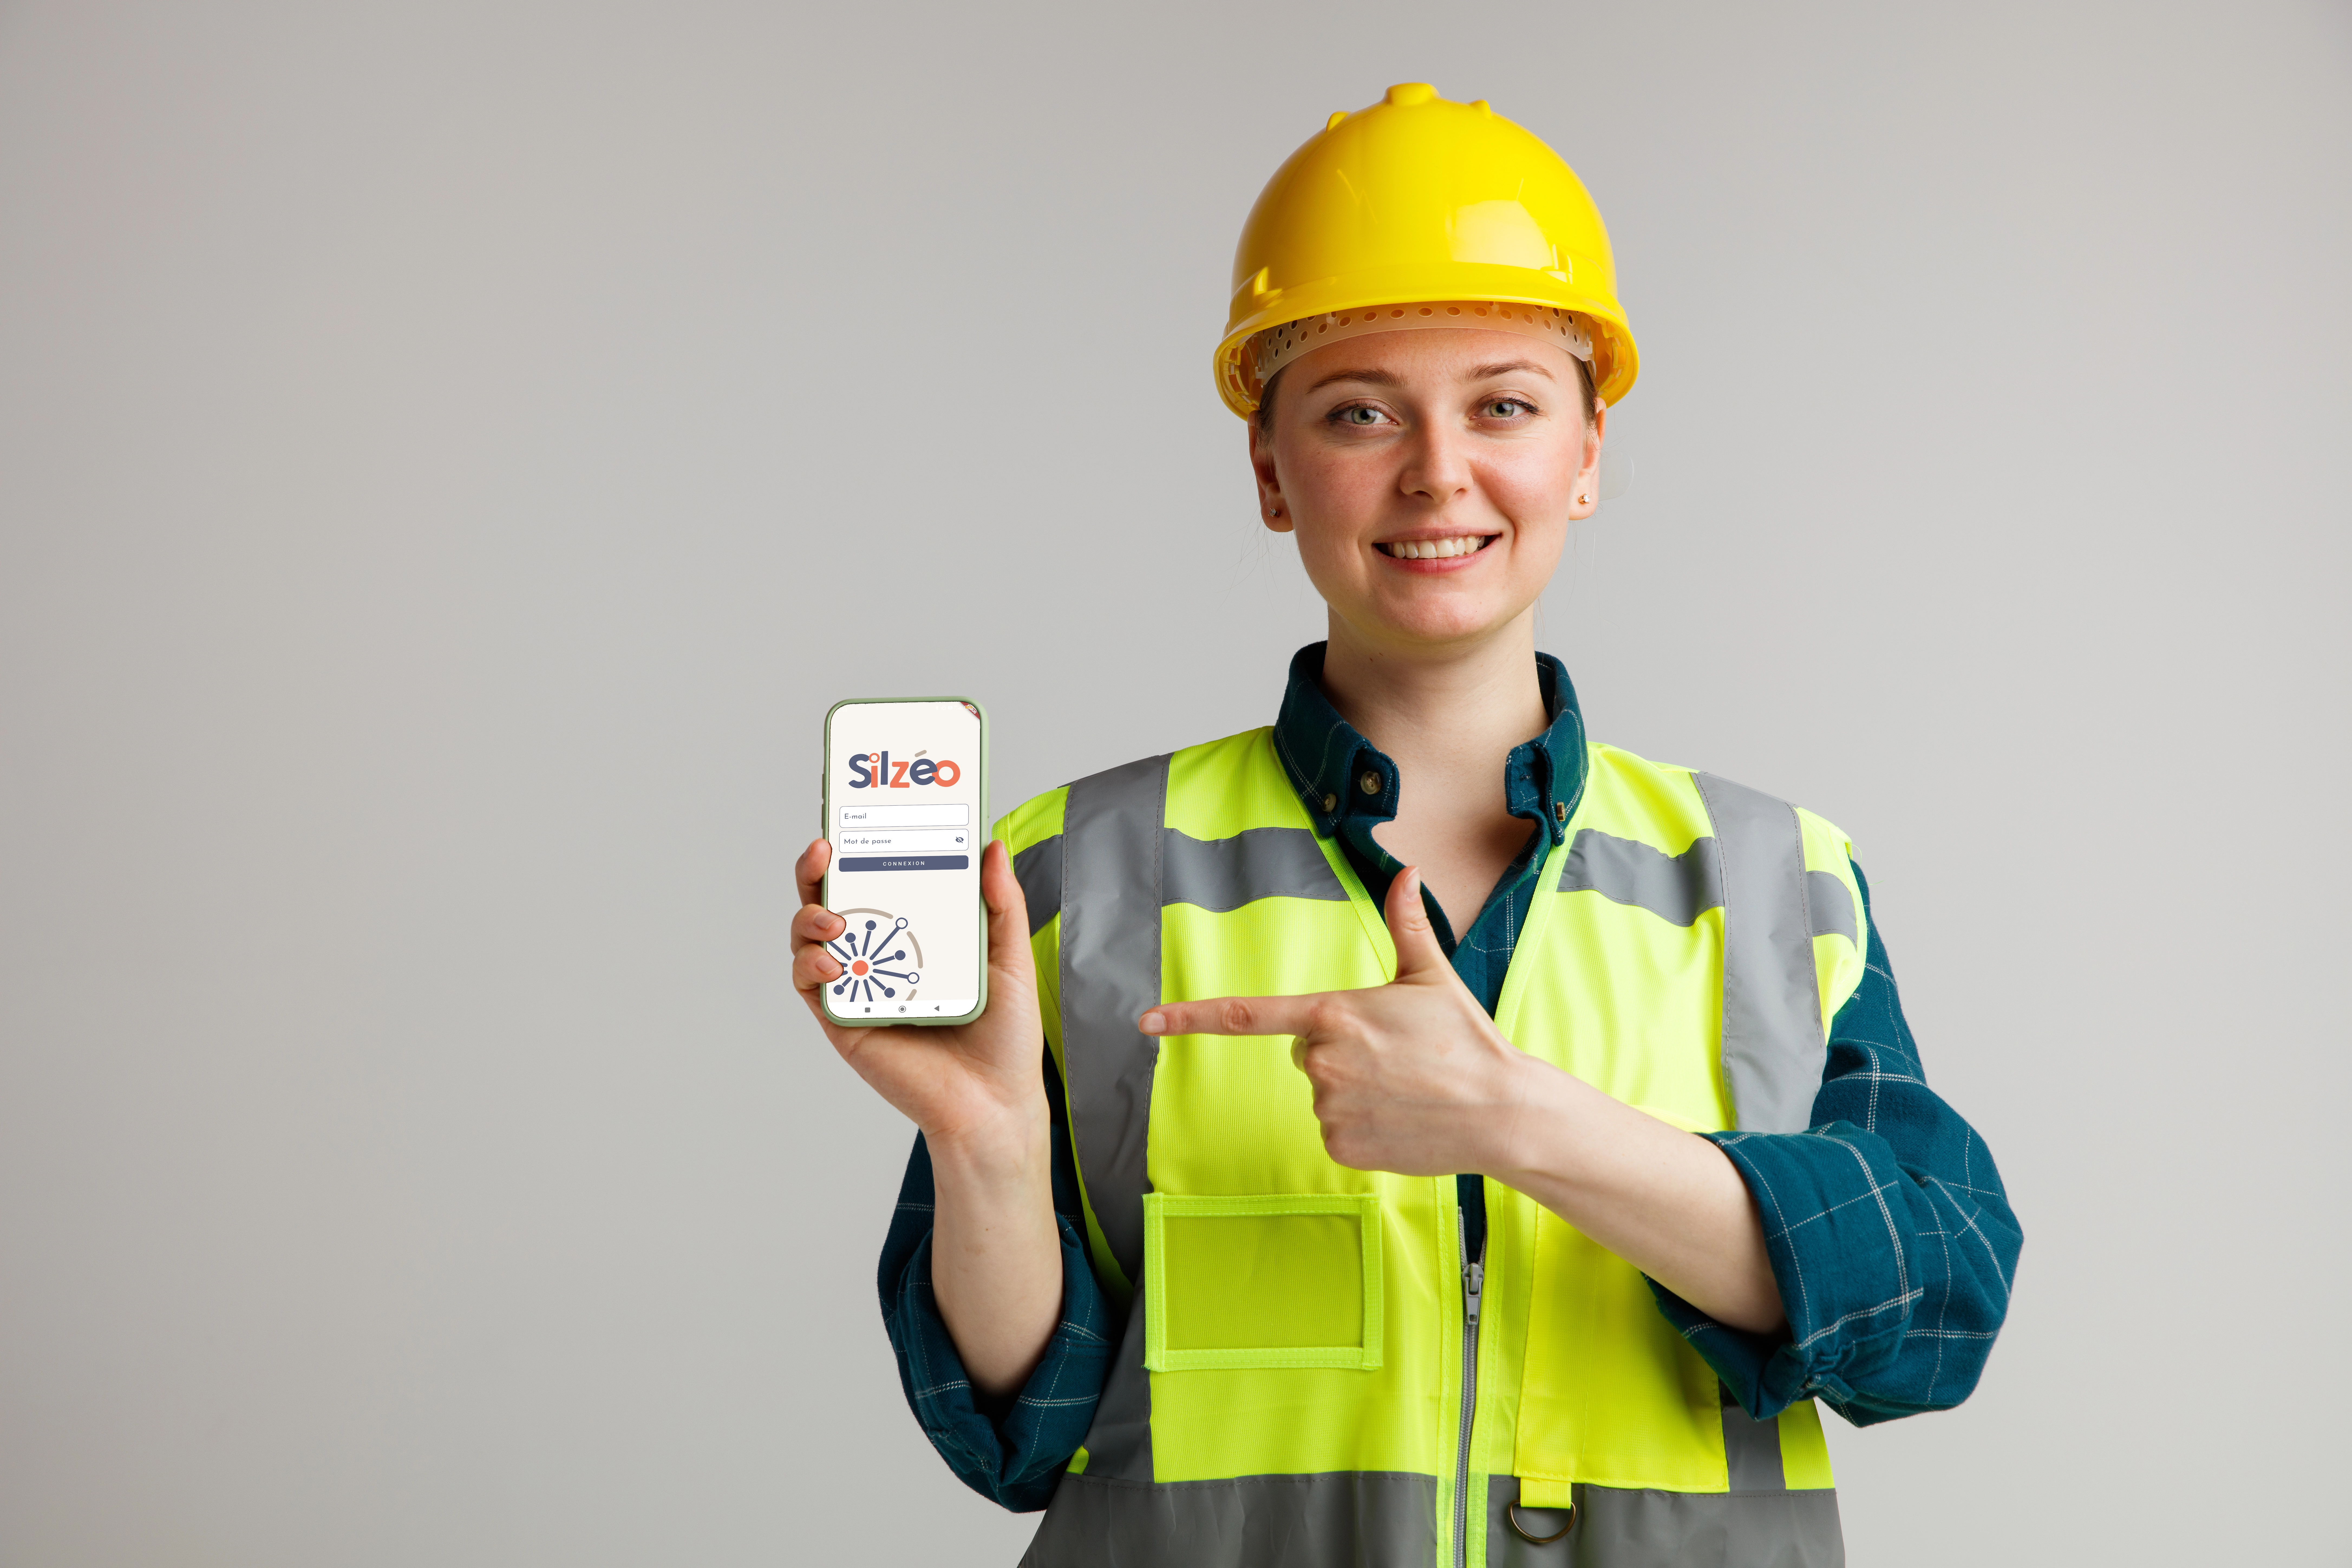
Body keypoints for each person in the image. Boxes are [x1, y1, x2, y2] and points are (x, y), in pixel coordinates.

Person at [792, 83, 2020, 1568]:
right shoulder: (1072, 874)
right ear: (1271, 470)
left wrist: (1520, 1124)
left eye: (1504, 404)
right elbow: (1019, 1428)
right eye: (1360, 412)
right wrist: (986, 1147)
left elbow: (1935, 1306)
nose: (1439, 470)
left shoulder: (1774, 881)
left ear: (1586, 451)